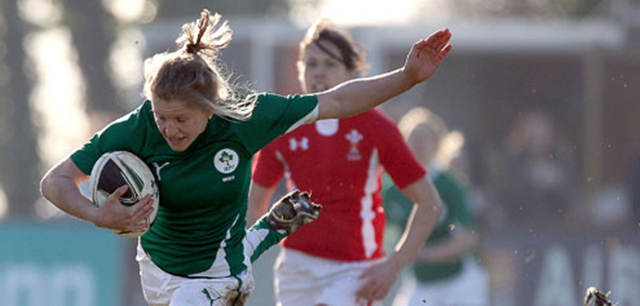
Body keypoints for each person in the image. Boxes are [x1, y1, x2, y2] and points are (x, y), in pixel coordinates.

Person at [39, 8, 452, 306]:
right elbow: (54, 182)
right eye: (162, 117)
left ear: (209, 108)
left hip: (219, 278)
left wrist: (408, 77)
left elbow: (338, 100)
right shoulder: (138, 126)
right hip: (157, 269)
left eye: (181, 118)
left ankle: (254, 249)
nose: (169, 129)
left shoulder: (247, 118)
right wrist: (97, 215)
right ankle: (269, 230)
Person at [247, 19, 444, 306]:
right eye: (311, 64)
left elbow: (430, 203)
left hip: (355, 270)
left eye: (329, 64)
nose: (319, 72)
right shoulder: (285, 126)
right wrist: (248, 253)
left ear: (352, 73)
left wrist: (392, 266)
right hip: (295, 270)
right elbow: (255, 202)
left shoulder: (377, 128)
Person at [381, 107, 488, 306]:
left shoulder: (449, 184)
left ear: (437, 144)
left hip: (460, 282)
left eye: (425, 137)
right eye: (414, 137)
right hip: (421, 283)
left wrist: (425, 254)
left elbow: (469, 238)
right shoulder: (392, 188)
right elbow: (375, 229)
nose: (419, 144)